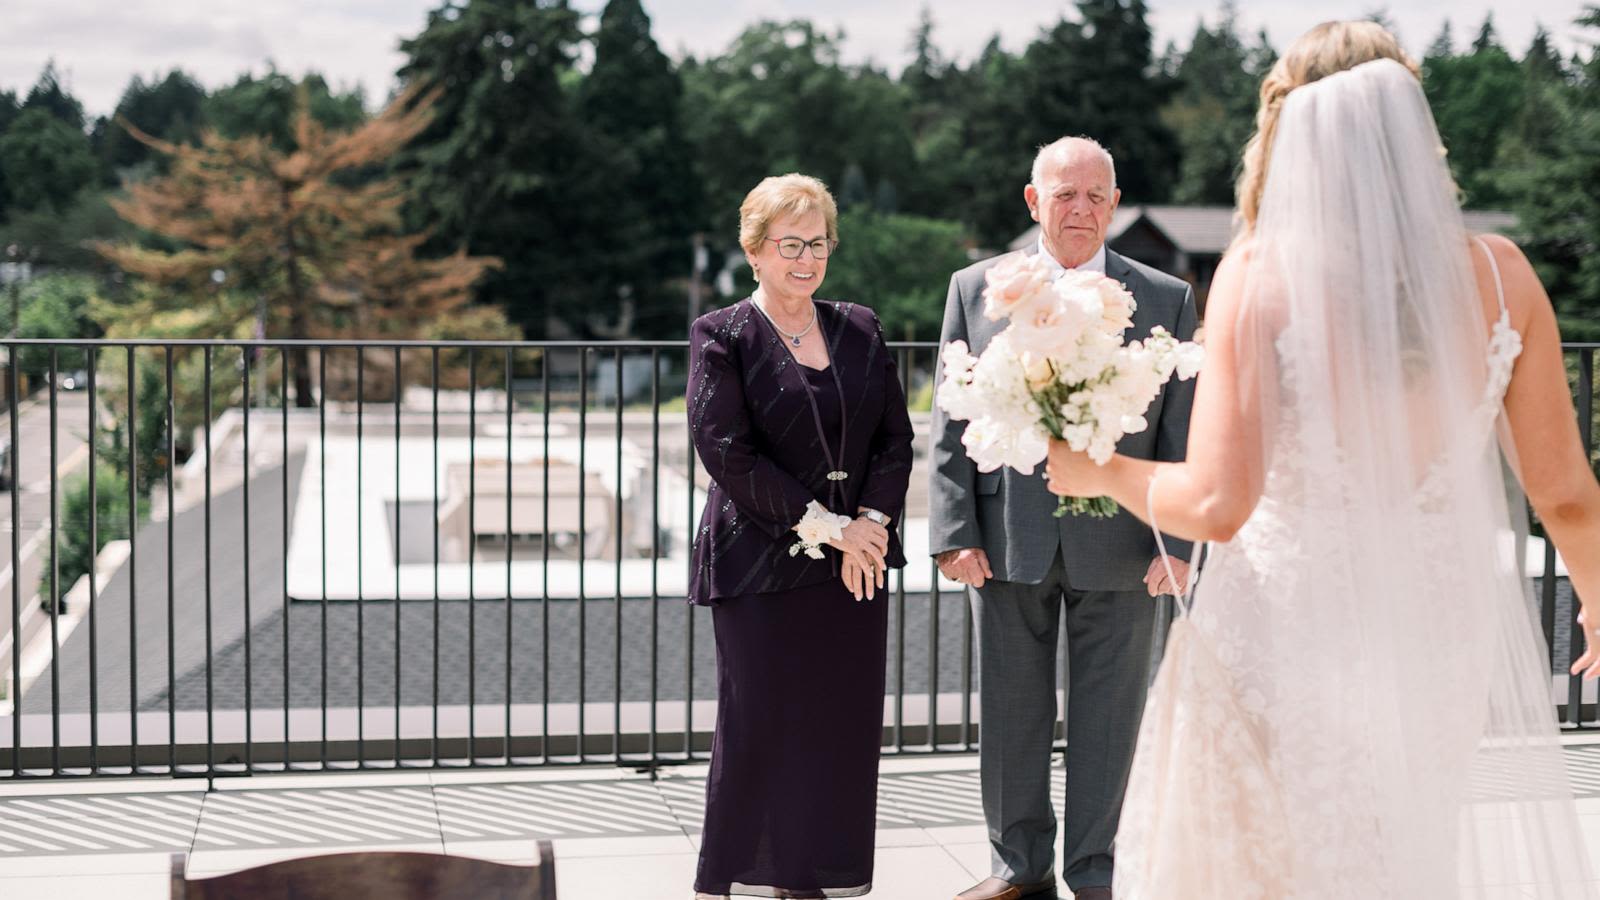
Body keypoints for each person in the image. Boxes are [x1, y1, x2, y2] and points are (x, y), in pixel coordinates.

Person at [1045, 21, 1600, 898]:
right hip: (1436, 633)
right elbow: (1565, 491)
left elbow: (1220, 502)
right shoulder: (1500, 277)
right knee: (1403, 850)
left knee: (1268, 865)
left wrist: (1101, 471)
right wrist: (1598, 597)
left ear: (1286, 134)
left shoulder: (1262, 278)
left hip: (1289, 628)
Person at [930, 136, 1198, 900]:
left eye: (1095, 196)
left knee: (1109, 722)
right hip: (1006, 539)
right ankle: (1018, 869)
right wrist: (954, 533)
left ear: (1114, 204)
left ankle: (1095, 870)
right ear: (1032, 200)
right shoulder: (974, 286)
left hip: (1122, 543)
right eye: (1064, 194)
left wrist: (1176, 541)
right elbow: (951, 419)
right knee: (1010, 716)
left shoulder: (1166, 296)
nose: (1080, 209)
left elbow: (1183, 431)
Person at [686, 173, 915, 899]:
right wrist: (831, 528)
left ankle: (821, 877)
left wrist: (870, 527)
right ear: (755, 250)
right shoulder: (722, 334)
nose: (806, 259)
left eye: (817, 243)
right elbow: (726, 451)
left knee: (840, 725)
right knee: (763, 725)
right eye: (790, 245)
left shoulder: (860, 326)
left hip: (857, 563)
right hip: (759, 560)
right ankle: (762, 878)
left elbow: (894, 440)